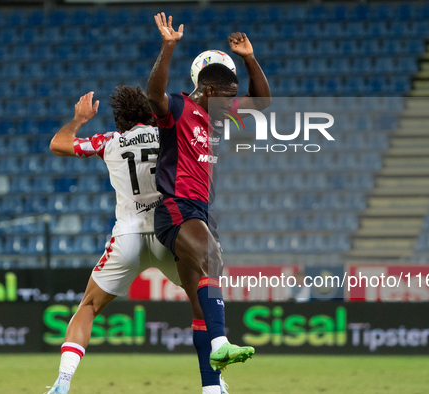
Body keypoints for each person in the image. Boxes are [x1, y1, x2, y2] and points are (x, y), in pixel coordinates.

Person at [45, 87, 228, 394]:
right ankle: (214, 385)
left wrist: (79, 119)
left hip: (128, 235)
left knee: (88, 306)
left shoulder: (111, 141)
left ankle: (63, 382)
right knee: (203, 307)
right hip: (171, 231)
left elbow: (58, 144)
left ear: (120, 121)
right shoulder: (170, 134)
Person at [147, 13, 271, 371]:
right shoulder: (178, 108)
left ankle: (211, 384)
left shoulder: (219, 113)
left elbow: (262, 102)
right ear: (211, 90)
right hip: (176, 208)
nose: (234, 104)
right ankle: (221, 343)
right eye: (230, 97)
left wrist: (249, 58)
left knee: (201, 306)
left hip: (200, 211)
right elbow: (154, 94)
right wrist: (168, 47)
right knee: (213, 260)